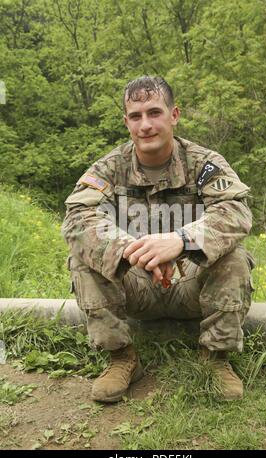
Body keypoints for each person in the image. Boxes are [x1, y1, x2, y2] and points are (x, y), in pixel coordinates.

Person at [62, 76, 255, 403]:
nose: (146, 125)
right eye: (136, 116)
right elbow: (77, 219)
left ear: (174, 114)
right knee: (83, 257)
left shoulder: (203, 163)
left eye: (154, 113)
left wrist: (182, 240)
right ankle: (122, 357)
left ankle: (215, 356)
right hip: (136, 286)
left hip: (192, 285)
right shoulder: (111, 167)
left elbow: (236, 211)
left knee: (235, 256)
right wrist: (133, 251)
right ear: (126, 122)